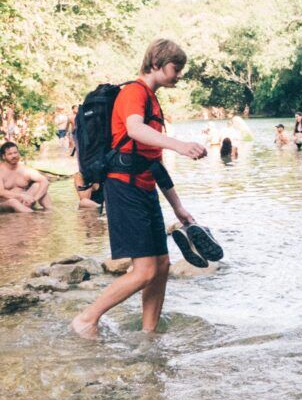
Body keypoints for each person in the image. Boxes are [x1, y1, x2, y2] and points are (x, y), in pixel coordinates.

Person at [71, 38, 209, 338]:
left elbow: (154, 162)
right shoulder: (134, 92)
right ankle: (86, 319)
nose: (179, 74)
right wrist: (180, 145)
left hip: (144, 189)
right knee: (145, 271)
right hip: (123, 188)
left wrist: (178, 207)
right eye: (176, 68)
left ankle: (149, 334)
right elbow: (134, 129)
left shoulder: (153, 100)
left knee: (161, 265)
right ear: (156, 63)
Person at [0, 141, 51, 211]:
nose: (14, 156)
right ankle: (33, 214)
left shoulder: (25, 170)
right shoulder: (1, 171)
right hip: (5, 203)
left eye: (15, 153)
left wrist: (34, 199)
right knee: (13, 202)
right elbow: (1, 192)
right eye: (10, 154)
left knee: (38, 186)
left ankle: (50, 212)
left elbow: (45, 181)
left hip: (24, 202)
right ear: (3, 156)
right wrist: (22, 196)